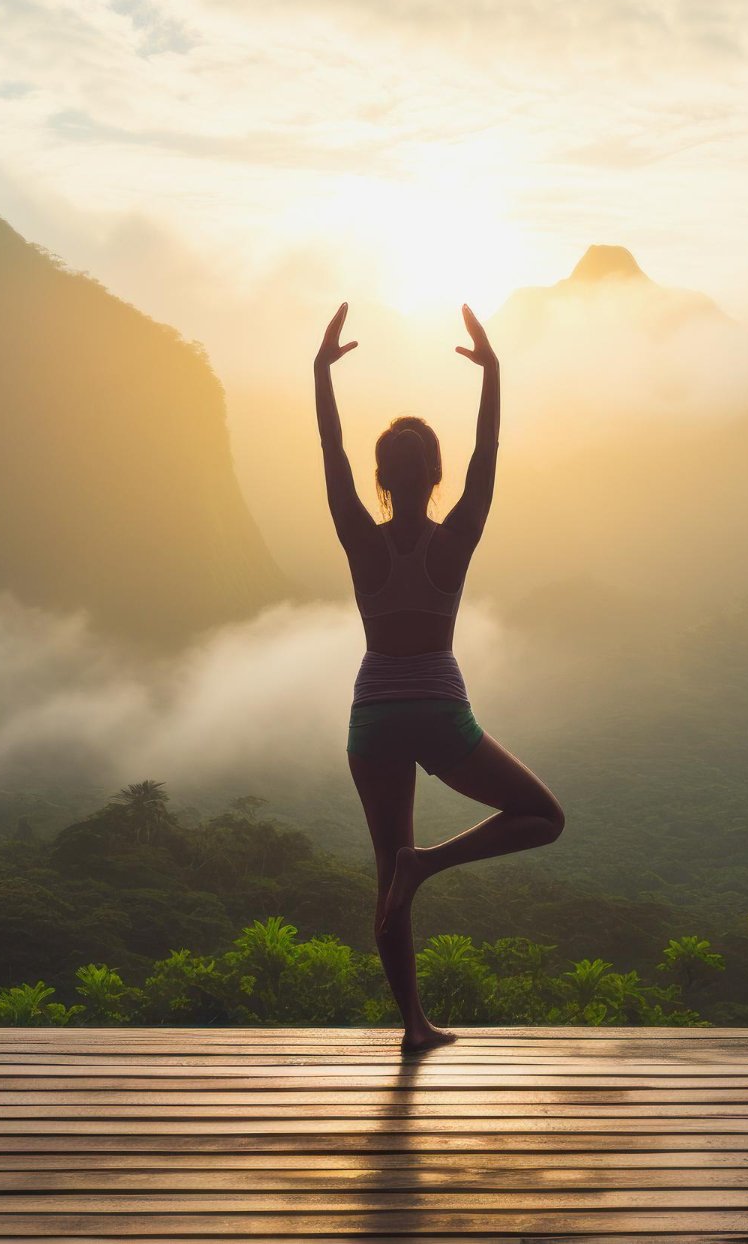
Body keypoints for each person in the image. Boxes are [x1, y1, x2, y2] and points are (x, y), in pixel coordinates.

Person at [313, 301, 566, 1053]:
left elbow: (331, 461)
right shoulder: (456, 537)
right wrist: (493, 375)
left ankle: (413, 1027)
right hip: (437, 707)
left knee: (383, 869)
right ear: (433, 475)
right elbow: (488, 457)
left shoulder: (360, 536)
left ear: (383, 480)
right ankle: (430, 863)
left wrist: (320, 377)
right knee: (542, 816)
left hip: (372, 714)